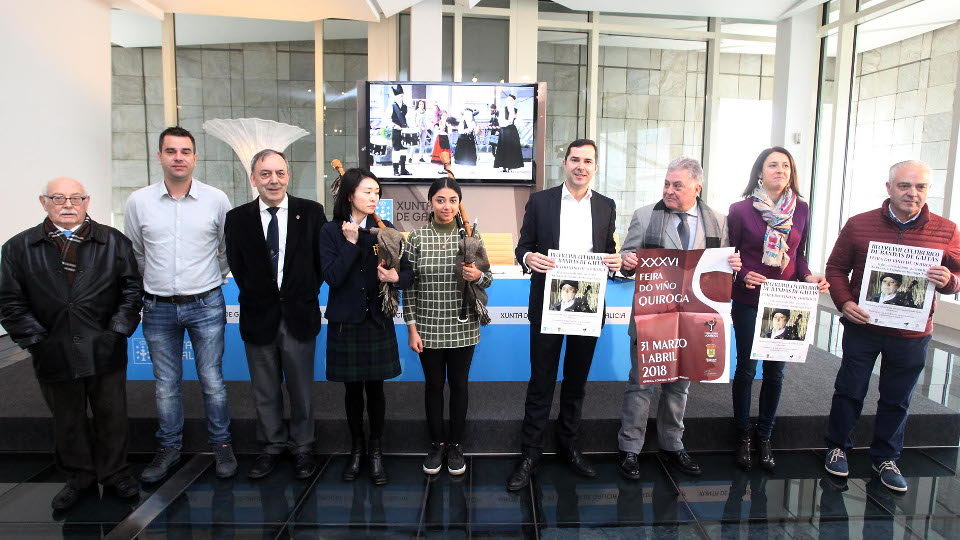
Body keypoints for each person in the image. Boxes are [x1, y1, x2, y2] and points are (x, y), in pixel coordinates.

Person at [0, 177, 143, 511]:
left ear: (87, 202)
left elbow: (132, 290)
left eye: (76, 198)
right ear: (44, 202)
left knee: (112, 415)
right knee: (67, 419)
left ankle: (116, 474)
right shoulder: (18, 247)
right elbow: (9, 301)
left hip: (104, 346)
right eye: (59, 198)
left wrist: (117, 331)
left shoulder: (113, 242)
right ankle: (79, 478)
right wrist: (37, 341)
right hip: (53, 348)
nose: (68, 205)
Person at [823, 160, 960, 492]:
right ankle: (837, 447)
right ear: (889, 187)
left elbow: (958, 275)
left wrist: (949, 281)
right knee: (850, 390)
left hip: (912, 333)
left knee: (897, 398)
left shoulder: (947, 230)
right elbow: (836, 268)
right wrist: (845, 302)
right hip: (863, 327)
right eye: (904, 185)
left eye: (920, 187)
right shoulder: (859, 224)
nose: (912, 193)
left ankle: (886, 458)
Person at [506, 139, 622, 491]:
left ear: (596, 167)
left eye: (587, 161)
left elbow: (609, 252)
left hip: (588, 302)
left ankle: (569, 446)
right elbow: (523, 246)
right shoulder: (541, 201)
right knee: (541, 381)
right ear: (565, 163)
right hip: (548, 302)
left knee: (576, 382)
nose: (580, 166)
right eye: (575, 159)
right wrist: (528, 258)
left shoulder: (606, 205)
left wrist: (616, 262)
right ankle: (530, 454)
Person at [124, 126, 237, 482]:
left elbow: (227, 249)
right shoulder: (138, 202)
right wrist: (156, 284)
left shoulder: (216, 199)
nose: (178, 157)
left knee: (212, 380)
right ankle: (169, 448)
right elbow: (135, 253)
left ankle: (222, 444)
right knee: (165, 384)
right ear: (159, 156)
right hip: (157, 307)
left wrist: (211, 278)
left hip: (206, 303)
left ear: (195, 157)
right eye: (171, 151)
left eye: (185, 151)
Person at [617, 157, 741, 480]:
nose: (669, 191)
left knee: (679, 386)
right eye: (666, 184)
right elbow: (625, 259)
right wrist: (627, 261)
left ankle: (672, 444)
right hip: (651, 318)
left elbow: (722, 269)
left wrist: (733, 266)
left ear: (697, 187)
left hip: (693, 321)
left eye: (677, 185)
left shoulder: (718, 222)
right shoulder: (645, 216)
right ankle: (630, 448)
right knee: (641, 384)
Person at [225, 149, 327, 480]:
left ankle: (303, 447)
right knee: (265, 389)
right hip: (258, 315)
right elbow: (238, 265)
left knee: (301, 389)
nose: (274, 180)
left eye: (280, 173)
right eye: (266, 173)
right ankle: (271, 446)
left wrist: (299, 293)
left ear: (288, 176)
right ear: (253, 178)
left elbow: (320, 264)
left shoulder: (311, 213)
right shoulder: (237, 218)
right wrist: (262, 295)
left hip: (299, 315)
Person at [728, 146, 829, 472]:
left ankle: (765, 436)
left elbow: (799, 255)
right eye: (773, 165)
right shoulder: (740, 210)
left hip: (787, 299)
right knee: (746, 369)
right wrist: (743, 273)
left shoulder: (801, 209)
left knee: (776, 372)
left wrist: (808, 275)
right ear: (760, 172)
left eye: (785, 165)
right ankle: (743, 435)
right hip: (749, 298)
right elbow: (730, 254)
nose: (780, 170)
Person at [319, 168, 413, 486]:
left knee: (376, 390)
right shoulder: (331, 231)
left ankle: (376, 450)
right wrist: (350, 243)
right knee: (351, 391)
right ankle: (356, 449)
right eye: (367, 192)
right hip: (346, 322)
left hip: (376, 320)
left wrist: (396, 277)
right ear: (350, 195)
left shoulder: (385, 230)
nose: (374, 197)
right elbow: (332, 277)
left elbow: (408, 274)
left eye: (376, 192)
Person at [404, 177, 492, 476]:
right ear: (431, 203)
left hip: (463, 325)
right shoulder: (416, 238)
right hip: (427, 327)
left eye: (453, 200)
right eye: (440, 200)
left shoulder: (471, 236)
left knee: (459, 386)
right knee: (433, 386)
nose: (447, 206)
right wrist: (412, 329)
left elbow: (488, 278)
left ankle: (455, 445)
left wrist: (477, 276)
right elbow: (409, 288)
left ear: (459, 203)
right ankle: (437, 444)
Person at [493, 94, 524, 172]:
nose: (509, 101)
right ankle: (504, 166)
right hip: (504, 131)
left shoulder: (516, 110)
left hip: (512, 131)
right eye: (508, 100)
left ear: (514, 101)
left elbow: (519, 121)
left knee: (512, 148)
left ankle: (511, 166)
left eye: (511, 100)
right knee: (504, 148)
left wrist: (514, 119)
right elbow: (501, 121)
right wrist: (508, 122)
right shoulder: (503, 109)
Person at [388, 84, 412, 176]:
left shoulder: (405, 106)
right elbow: (386, 119)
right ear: (395, 96)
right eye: (399, 96)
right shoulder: (392, 106)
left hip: (404, 131)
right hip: (396, 131)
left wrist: (409, 126)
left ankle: (403, 169)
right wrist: (394, 125)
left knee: (404, 150)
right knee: (396, 151)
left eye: (402, 96)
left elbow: (407, 118)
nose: (401, 98)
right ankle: (395, 170)